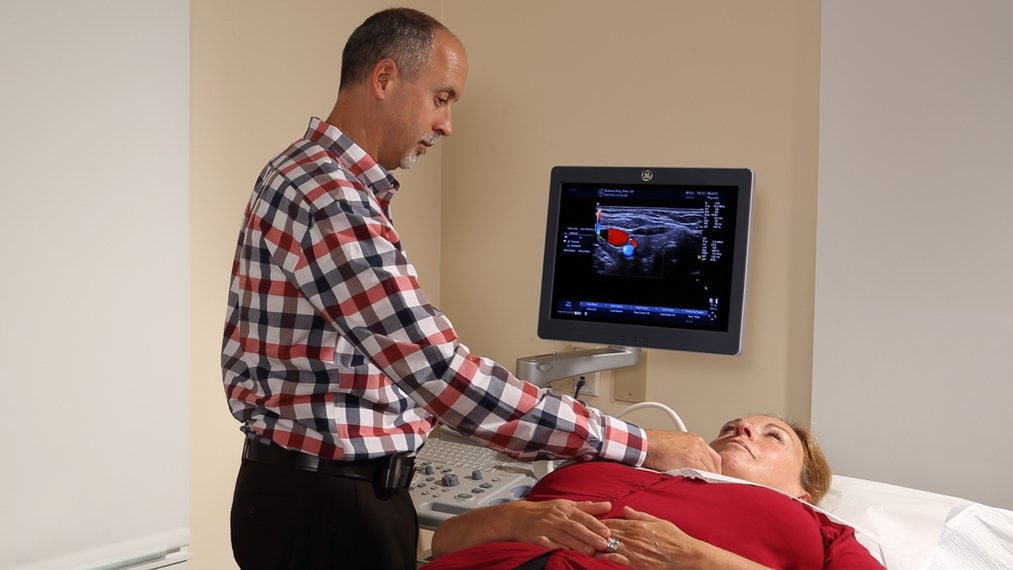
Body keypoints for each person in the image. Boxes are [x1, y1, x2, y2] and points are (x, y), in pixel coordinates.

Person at [221, 8, 719, 570]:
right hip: (329, 504)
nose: (447, 124)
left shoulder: (300, 172)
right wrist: (642, 444)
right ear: (384, 79)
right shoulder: (332, 198)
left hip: (307, 489)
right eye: (442, 97)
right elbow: (442, 375)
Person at [423, 415, 885, 569]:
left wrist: (696, 559)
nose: (743, 427)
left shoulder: (822, 528)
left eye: (773, 436)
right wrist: (515, 519)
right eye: (733, 426)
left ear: (804, 492)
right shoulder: (600, 468)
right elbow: (442, 543)